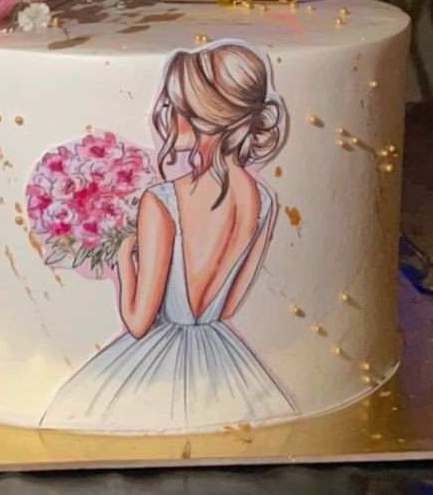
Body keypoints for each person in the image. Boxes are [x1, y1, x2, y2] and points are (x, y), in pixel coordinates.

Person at [41, 41, 296, 431]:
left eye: (176, 105)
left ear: (205, 115)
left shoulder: (162, 200)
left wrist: (125, 261)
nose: (168, 115)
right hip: (222, 360)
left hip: (160, 365)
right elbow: (225, 310)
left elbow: (140, 323)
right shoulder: (262, 200)